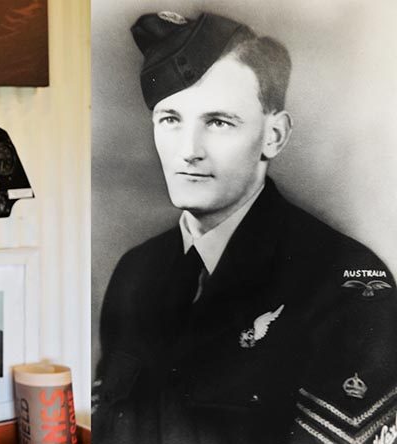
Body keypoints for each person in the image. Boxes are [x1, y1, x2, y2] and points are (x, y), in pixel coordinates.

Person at [92, 11, 397, 444]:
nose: (188, 151)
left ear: (274, 135)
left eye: (218, 122)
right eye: (170, 119)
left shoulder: (345, 287)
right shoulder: (136, 273)